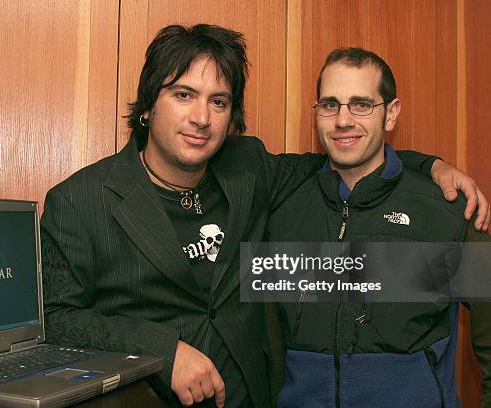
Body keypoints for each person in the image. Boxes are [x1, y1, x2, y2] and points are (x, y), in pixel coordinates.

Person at [40, 25, 488, 407]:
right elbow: (56, 317)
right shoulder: (78, 202)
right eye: (183, 95)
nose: (201, 117)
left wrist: (428, 167)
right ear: (149, 103)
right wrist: (162, 351)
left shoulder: (247, 169)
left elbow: (350, 156)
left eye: (219, 101)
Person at [266, 47, 491, 408]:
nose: (342, 120)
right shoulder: (283, 209)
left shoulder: (447, 211)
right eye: (329, 105)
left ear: (391, 113)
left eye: (361, 105)